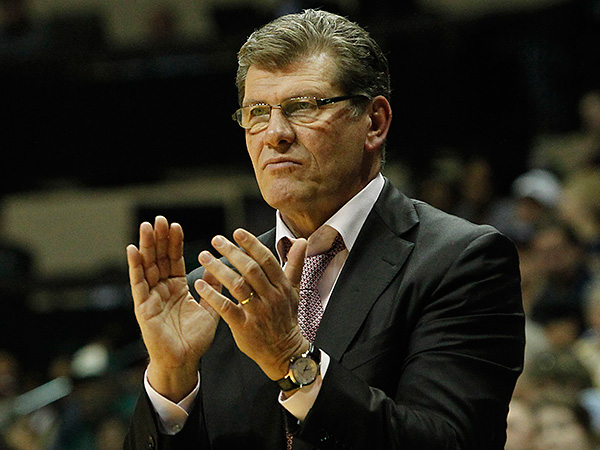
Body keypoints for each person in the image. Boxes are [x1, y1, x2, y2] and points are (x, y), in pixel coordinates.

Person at [123, 9, 525, 450]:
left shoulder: (461, 261)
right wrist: (172, 378)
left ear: (374, 122)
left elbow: (452, 442)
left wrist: (292, 359)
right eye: (257, 112)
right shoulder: (212, 291)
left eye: (303, 106)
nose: (275, 134)